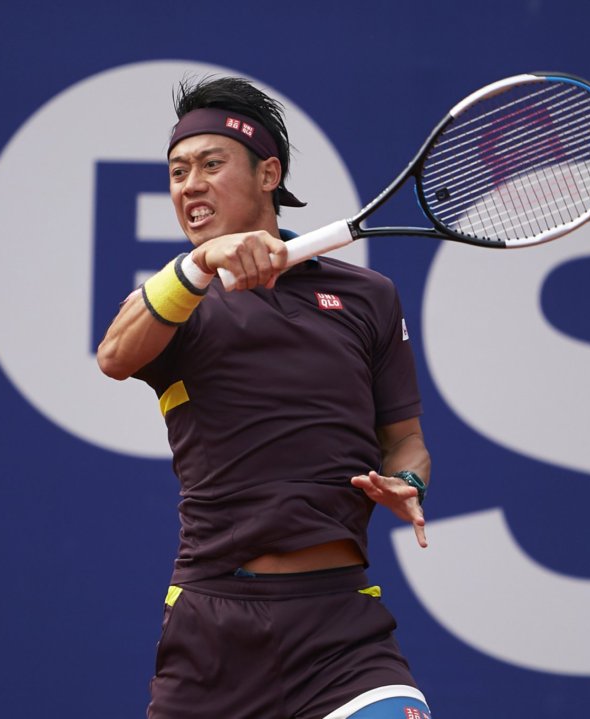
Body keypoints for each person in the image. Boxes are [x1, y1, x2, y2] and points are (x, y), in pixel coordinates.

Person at [97, 76, 433, 719]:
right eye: (176, 171)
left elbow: (405, 441)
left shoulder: (370, 298)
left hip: (342, 633)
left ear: (268, 173)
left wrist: (408, 482)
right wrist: (199, 267)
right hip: (213, 636)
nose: (189, 185)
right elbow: (114, 356)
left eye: (210, 164)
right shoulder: (178, 302)